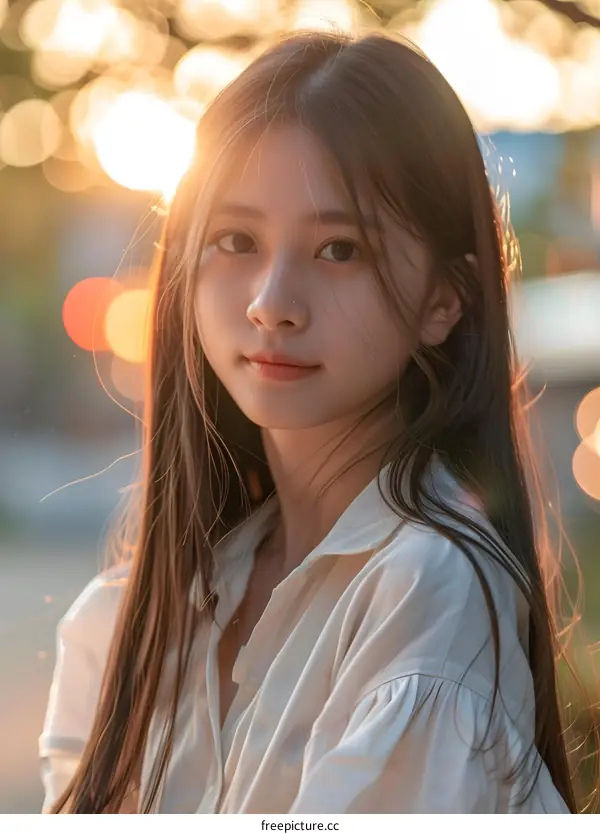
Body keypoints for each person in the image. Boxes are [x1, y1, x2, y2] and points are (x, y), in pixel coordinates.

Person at [40, 30, 579, 814]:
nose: (271, 303)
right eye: (236, 241)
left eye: (339, 249)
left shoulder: (424, 590)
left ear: (444, 300)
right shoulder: (122, 626)